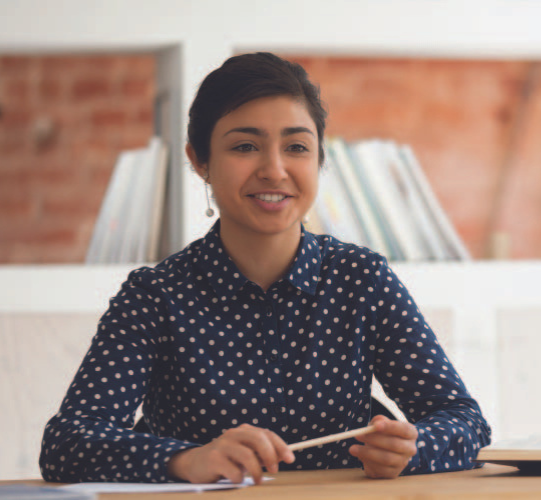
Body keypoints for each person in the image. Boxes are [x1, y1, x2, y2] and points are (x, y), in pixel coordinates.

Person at [39, 52, 491, 484]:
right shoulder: (155, 295)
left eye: (296, 146)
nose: (274, 170)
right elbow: (67, 444)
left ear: (319, 159)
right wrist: (185, 459)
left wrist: (411, 450)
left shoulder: (361, 279)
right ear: (200, 161)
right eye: (245, 146)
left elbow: (464, 421)